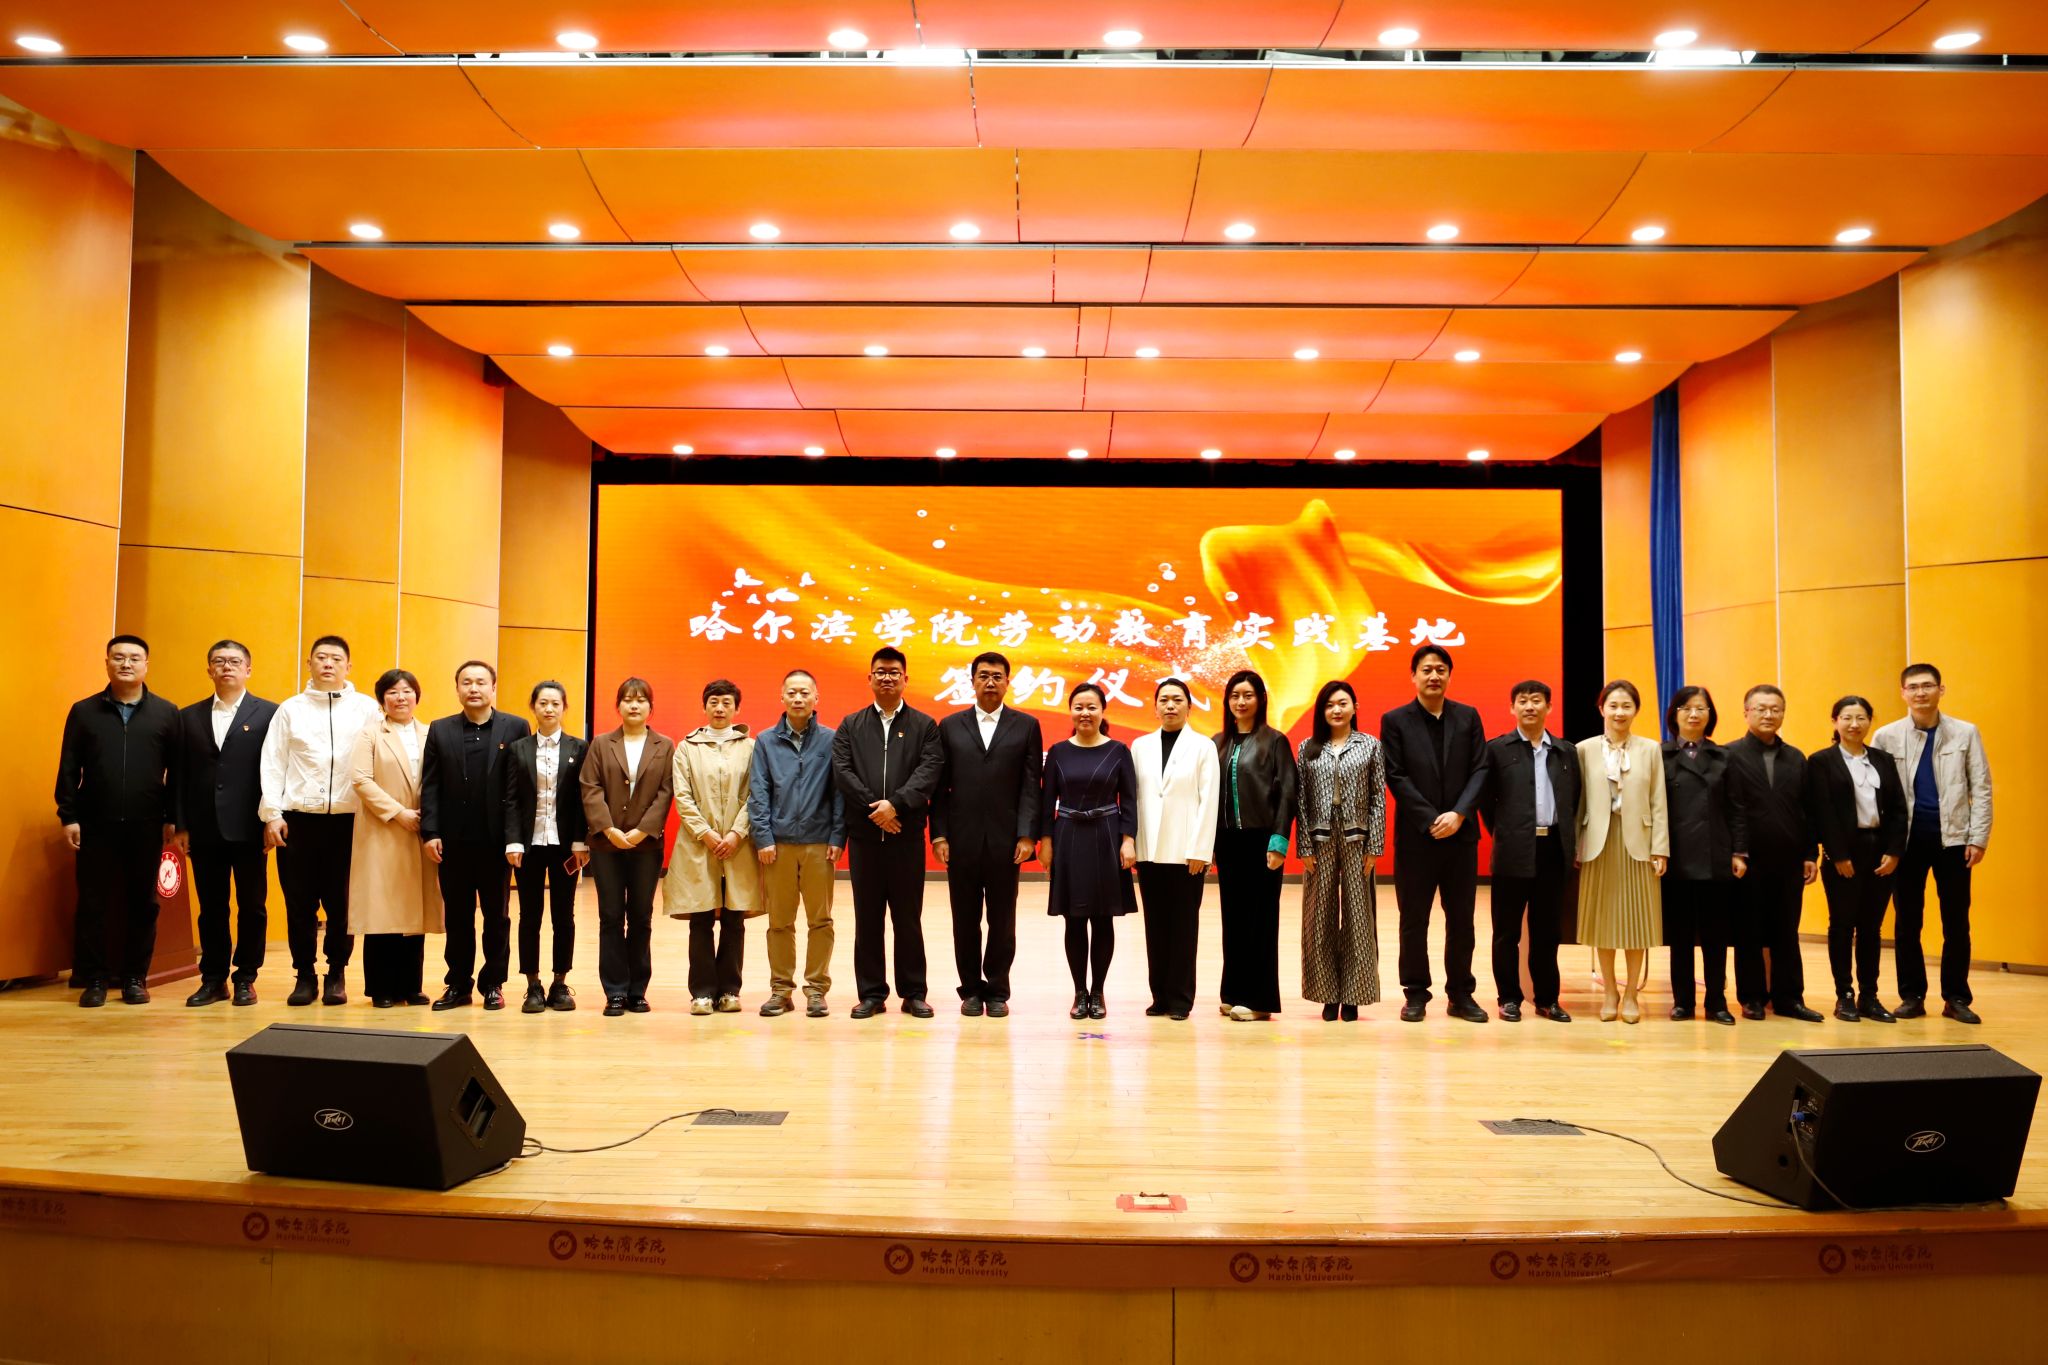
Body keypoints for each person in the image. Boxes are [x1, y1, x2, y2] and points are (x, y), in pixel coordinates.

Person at [55, 634, 178, 1007]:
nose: (126, 664)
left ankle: (134, 978)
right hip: (95, 823)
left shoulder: (166, 712)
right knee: (93, 902)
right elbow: (68, 767)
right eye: (119, 657)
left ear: (146, 665)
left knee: (143, 903)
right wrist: (68, 815)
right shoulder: (84, 711)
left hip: (147, 823)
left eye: (134, 658)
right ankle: (93, 978)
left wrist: (172, 817)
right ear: (107, 662)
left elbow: (177, 772)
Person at [259, 635, 381, 1006]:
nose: (328, 664)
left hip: (349, 821)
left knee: (342, 904)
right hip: (299, 821)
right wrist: (272, 814)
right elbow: (273, 762)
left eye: (336, 658)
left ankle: (337, 973)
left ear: (349, 666)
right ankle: (304, 974)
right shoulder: (290, 710)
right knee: (299, 904)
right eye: (321, 657)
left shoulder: (367, 709)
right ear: (309, 664)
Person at [1872, 664, 1994, 1024]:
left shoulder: (1965, 732)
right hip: (1905, 842)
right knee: (1907, 922)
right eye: (1913, 687)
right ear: (1903, 693)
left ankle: (1956, 997)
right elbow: (1875, 792)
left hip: (1953, 840)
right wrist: (1885, 843)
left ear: (1941, 689)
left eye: (1927, 686)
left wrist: (1978, 837)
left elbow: (1981, 787)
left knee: (1956, 922)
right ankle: (1911, 996)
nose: (1920, 693)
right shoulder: (1886, 736)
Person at [831, 647, 944, 1020]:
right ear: (870, 678)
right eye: (880, 671)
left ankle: (913, 993)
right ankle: (871, 994)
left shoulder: (924, 725)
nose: (887, 677)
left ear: (905, 679)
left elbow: (929, 771)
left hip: (905, 837)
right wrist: (876, 811)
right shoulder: (851, 725)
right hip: (865, 839)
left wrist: (895, 805)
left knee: (908, 919)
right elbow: (842, 771)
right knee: (867, 919)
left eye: (894, 672)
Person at [930, 651, 1043, 1018]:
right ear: (972, 681)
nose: (990, 682)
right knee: (964, 921)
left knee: (1002, 921)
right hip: (961, 841)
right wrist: (939, 835)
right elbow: (940, 787)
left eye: (997, 676)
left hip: (1006, 842)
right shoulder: (950, 726)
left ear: (1008, 682)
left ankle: (997, 990)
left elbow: (1031, 786)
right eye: (983, 676)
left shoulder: (1026, 726)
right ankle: (970, 990)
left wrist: (1027, 835)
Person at [1381, 644, 1489, 1023]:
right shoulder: (1395, 720)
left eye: (1441, 669)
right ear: (1413, 676)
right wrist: (1431, 819)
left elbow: (1480, 769)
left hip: (1460, 837)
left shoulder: (1468, 716)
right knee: (1414, 920)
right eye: (1426, 669)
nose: (1434, 676)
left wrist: (1458, 814)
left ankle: (1461, 994)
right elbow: (1395, 775)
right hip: (1417, 839)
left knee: (1461, 921)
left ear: (1449, 676)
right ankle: (1415, 994)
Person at [170, 639, 276, 1007]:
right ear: (209, 669)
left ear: (248, 669)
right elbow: (178, 775)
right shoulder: (187, 717)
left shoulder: (270, 714)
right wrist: (180, 825)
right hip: (204, 827)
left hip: (250, 826)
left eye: (234, 661)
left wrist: (272, 817)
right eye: (219, 661)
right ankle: (213, 979)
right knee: (211, 908)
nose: (226, 667)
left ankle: (246, 976)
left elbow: (276, 770)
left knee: (253, 906)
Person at [421, 661, 530, 1011]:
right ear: (457, 689)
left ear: (493, 688)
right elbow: (430, 785)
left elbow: (521, 786)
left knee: (497, 916)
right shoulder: (440, 729)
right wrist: (430, 832)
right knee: (458, 916)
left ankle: (493, 983)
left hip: (496, 842)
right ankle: (458, 984)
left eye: (481, 682)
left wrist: (516, 837)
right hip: (453, 842)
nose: (473, 688)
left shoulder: (516, 727)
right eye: (466, 682)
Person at [1480, 680, 1580, 1023]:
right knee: (1506, 931)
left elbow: (1574, 798)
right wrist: (1507, 832)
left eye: (1537, 701)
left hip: (1553, 849)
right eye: (1522, 701)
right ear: (1512, 708)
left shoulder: (1565, 752)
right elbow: (1486, 803)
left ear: (1548, 707)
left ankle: (1547, 999)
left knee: (1547, 931)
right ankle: (1509, 998)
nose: (1529, 706)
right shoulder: (1497, 750)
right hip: (1513, 849)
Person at [1038, 683, 1138, 1020]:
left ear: (1102, 711)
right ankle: (1079, 992)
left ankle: (1098, 992)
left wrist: (1128, 839)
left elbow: (1130, 801)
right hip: (1068, 837)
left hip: (1107, 836)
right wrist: (1046, 843)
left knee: (1103, 918)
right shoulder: (1058, 752)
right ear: (1071, 711)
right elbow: (1046, 803)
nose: (1085, 713)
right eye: (1078, 707)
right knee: (1074, 919)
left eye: (1091, 707)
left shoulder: (1119, 751)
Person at [749, 669, 844, 1018]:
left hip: (819, 843)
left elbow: (839, 793)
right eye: (792, 692)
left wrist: (837, 835)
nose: (799, 698)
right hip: (778, 845)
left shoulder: (831, 739)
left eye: (805, 692)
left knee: (820, 920)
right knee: (779, 922)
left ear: (816, 698)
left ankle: (816, 989)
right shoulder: (765, 741)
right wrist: (763, 837)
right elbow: (758, 792)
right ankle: (781, 990)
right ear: (782, 697)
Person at [1725, 684, 1823, 1022]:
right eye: (1761, 708)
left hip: (1789, 860)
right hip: (1746, 860)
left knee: (1786, 932)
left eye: (1775, 709)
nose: (1768, 715)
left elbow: (1808, 810)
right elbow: (1728, 809)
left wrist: (1810, 853)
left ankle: (1789, 999)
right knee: (1748, 932)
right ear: (1746, 712)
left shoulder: (1796, 758)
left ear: (1783, 713)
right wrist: (1735, 851)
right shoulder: (1730, 755)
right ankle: (1752, 998)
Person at [1809, 695, 1908, 1023]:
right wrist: (1837, 854)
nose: (1854, 724)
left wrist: (1894, 851)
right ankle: (1845, 996)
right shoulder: (1821, 761)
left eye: (1861, 718)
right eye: (1847, 717)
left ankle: (1869, 995)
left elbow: (1898, 808)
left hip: (1880, 852)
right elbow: (1821, 811)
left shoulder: (1882, 759)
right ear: (1835, 721)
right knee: (1842, 925)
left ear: (1869, 721)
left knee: (1871, 928)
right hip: (1843, 853)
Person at [579, 678, 675, 1016]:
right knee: (610, 916)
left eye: (641, 700)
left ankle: (637, 990)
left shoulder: (665, 745)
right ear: (618, 706)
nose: (634, 705)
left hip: (646, 846)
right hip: (606, 845)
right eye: (628, 699)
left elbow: (666, 792)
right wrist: (608, 828)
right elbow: (589, 787)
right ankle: (615, 991)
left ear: (651, 707)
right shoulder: (601, 744)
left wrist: (641, 831)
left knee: (640, 916)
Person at [1574, 680, 1668, 1024]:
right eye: (1613, 705)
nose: (1619, 712)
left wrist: (1661, 848)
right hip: (1598, 843)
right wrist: (1576, 845)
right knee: (1602, 922)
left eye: (1626, 705)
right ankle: (1610, 991)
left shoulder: (1651, 749)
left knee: (1637, 922)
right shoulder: (1583, 749)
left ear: (1636, 710)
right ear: (1601, 709)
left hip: (1639, 843)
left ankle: (1631, 994)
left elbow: (1659, 801)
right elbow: (1577, 802)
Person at [347, 669, 441, 1008]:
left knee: (414, 911)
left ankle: (410, 986)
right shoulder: (370, 734)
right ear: (381, 699)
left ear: (417, 696)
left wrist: (429, 817)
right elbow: (360, 779)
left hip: (421, 830)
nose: (400, 698)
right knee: (382, 910)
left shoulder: (431, 733)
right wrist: (398, 812)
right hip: (383, 829)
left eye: (406, 691)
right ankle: (381, 988)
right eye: (392, 692)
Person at [670, 679, 763, 1015]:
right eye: (713, 702)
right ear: (704, 706)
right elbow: (682, 796)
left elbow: (756, 793)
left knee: (735, 920)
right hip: (699, 846)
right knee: (701, 919)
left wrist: (737, 833)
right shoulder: (686, 748)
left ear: (737, 708)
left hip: (739, 846)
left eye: (726, 702)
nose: (720, 708)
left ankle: (729, 991)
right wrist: (706, 833)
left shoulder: (751, 747)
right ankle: (702, 993)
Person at [1131, 677, 1220, 1021]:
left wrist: (1201, 849)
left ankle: (1181, 999)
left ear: (1189, 707)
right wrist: (1133, 842)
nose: (1170, 705)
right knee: (1155, 926)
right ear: (1155, 708)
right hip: (1149, 851)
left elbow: (1208, 800)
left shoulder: (1203, 747)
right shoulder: (1140, 746)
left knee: (1183, 927)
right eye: (1164, 700)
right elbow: (1135, 798)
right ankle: (1160, 997)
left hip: (1187, 854)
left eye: (1177, 699)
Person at [1297, 680, 1386, 1022]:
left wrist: (1374, 846)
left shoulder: (1370, 745)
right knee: (1318, 917)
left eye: (1342, 703)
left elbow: (1378, 797)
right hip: (1318, 841)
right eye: (1329, 704)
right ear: (1322, 711)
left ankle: (1354, 996)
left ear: (1354, 707)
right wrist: (1304, 845)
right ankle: (1326, 994)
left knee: (1358, 917)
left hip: (1357, 839)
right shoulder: (1308, 748)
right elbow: (1300, 800)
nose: (1336, 709)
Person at [1212, 670, 1296, 1022]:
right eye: (1235, 695)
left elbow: (1288, 793)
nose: (1241, 701)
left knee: (1260, 920)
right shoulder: (1218, 742)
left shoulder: (1275, 741)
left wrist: (1279, 842)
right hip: (1228, 842)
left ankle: (1260, 1000)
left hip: (1262, 842)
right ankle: (1233, 992)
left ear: (1261, 699)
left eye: (1247, 695)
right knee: (1232, 918)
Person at [1660, 686, 1745, 1025]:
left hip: (1716, 856)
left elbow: (1737, 808)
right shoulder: (1660, 755)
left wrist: (1739, 851)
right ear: (1675, 715)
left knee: (1715, 935)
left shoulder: (1725, 757)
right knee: (1680, 936)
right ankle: (1682, 1001)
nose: (1694, 714)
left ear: (1710, 715)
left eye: (1701, 708)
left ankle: (1716, 1002)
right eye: (1686, 708)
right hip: (1676, 857)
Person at [504, 680, 588, 1013]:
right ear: (533, 707)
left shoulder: (579, 747)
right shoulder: (518, 748)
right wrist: (513, 840)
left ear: (564, 707)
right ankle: (533, 985)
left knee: (564, 915)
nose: (549, 709)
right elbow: (511, 799)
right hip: (528, 845)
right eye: (543, 703)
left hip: (566, 846)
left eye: (555, 703)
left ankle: (559, 983)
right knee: (529, 915)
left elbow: (582, 800)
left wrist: (581, 841)